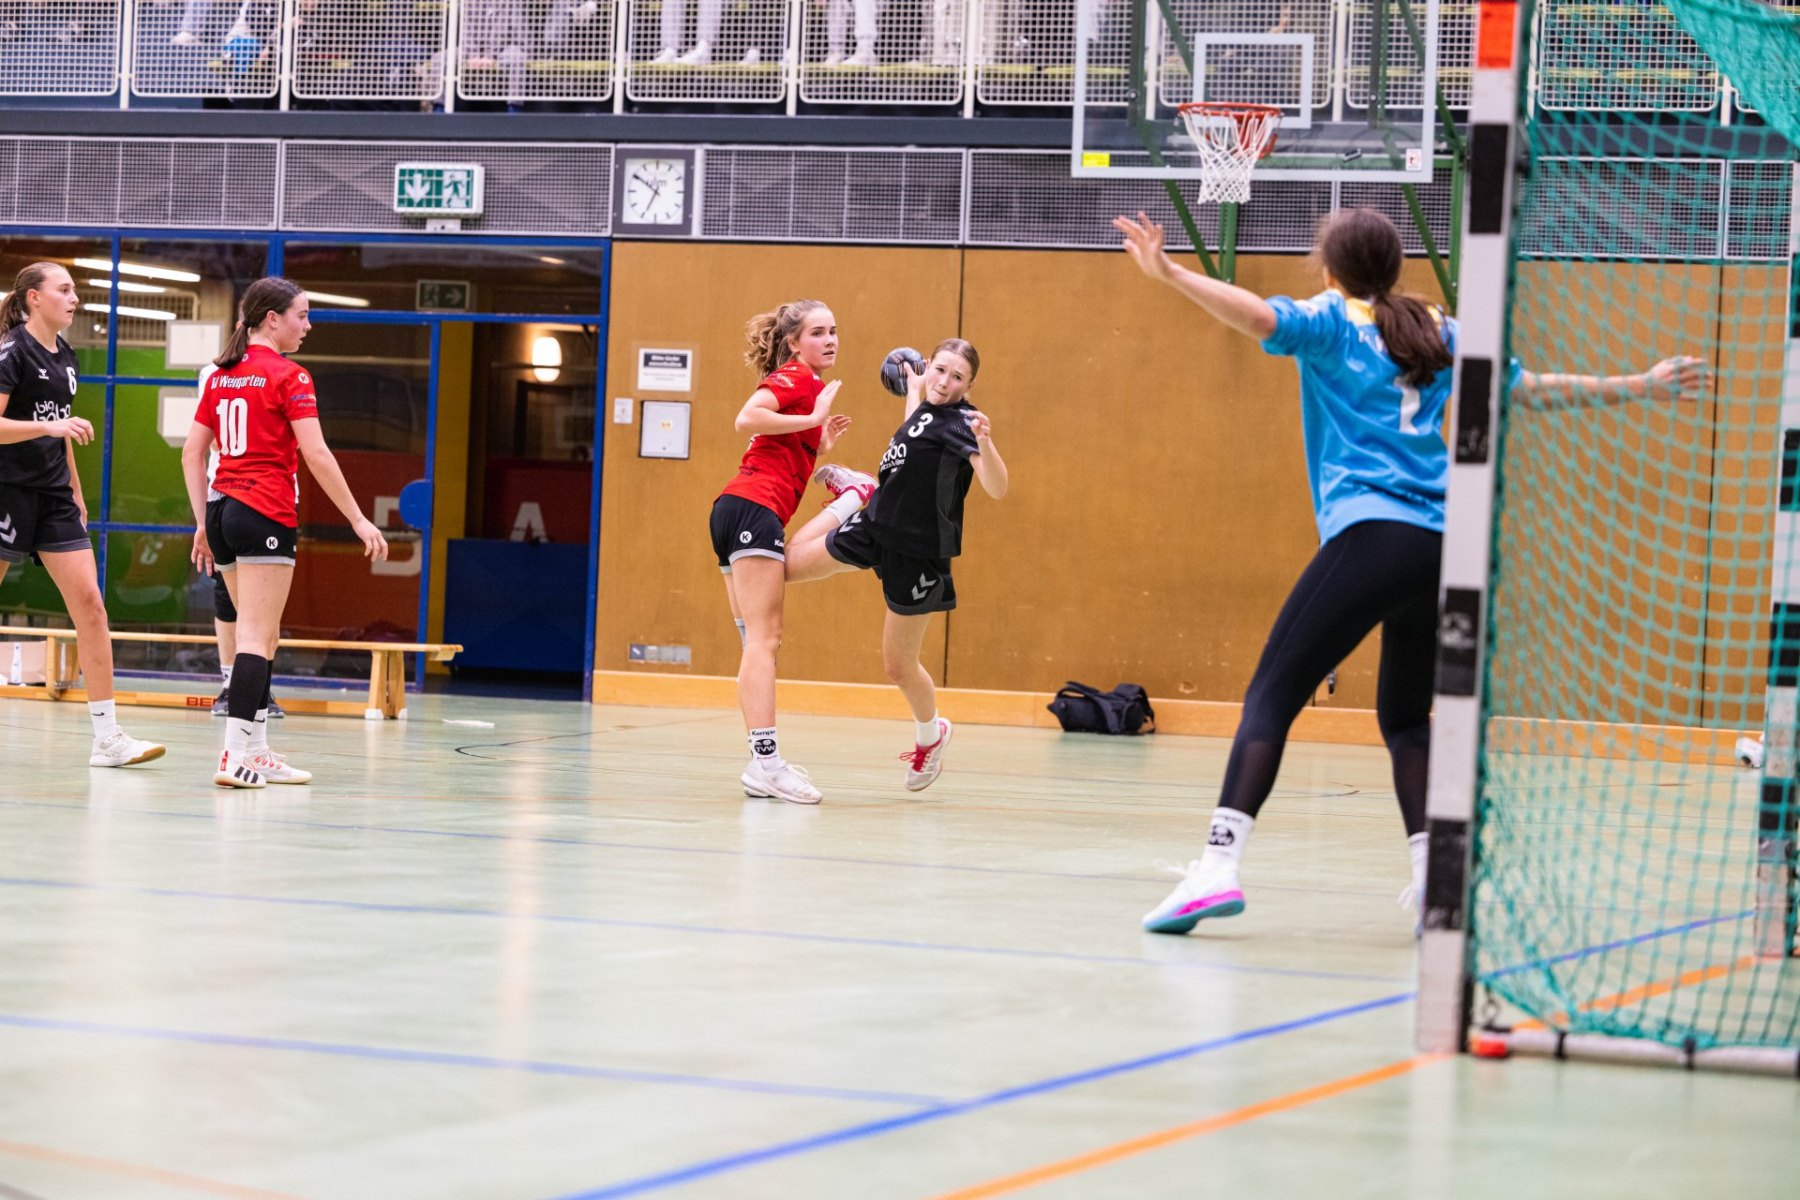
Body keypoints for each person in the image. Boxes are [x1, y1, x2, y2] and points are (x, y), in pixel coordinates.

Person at [182, 277, 387, 789]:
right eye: (302, 314)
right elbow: (316, 454)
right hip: (264, 511)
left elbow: (191, 454)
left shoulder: (221, 375)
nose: (308, 325)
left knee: (263, 635)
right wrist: (358, 518)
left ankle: (257, 751)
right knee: (255, 637)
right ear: (272, 319)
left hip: (222, 510)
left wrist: (202, 523)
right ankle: (234, 756)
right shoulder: (290, 375)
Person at [786, 338, 1008, 791]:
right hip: (876, 526)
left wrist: (986, 443)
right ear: (929, 366)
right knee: (786, 565)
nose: (945, 382)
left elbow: (997, 487)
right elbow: (915, 432)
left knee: (898, 666)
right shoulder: (925, 406)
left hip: (917, 554)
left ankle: (931, 735)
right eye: (940, 370)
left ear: (969, 385)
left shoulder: (963, 423)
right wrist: (914, 388)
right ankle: (857, 495)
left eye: (957, 377)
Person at [0, 262, 164, 768]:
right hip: (7, 490)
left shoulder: (66, 356)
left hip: (54, 498)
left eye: (75, 290)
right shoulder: (11, 351)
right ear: (33, 297)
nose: (75, 298)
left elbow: (63, 428)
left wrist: (75, 489)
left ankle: (108, 738)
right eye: (64, 289)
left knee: (91, 605)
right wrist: (49, 429)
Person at [709, 299, 859, 805]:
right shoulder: (796, 377)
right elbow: (747, 418)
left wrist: (819, 440)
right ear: (794, 343)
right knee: (764, 640)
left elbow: (781, 447)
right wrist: (814, 415)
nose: (830, 340)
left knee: (756, 641)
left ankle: (762, 762)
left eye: (833, 330)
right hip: (754, 510)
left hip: (735, 509)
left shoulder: (805, 384)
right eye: (817, 332)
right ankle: (768, 765)